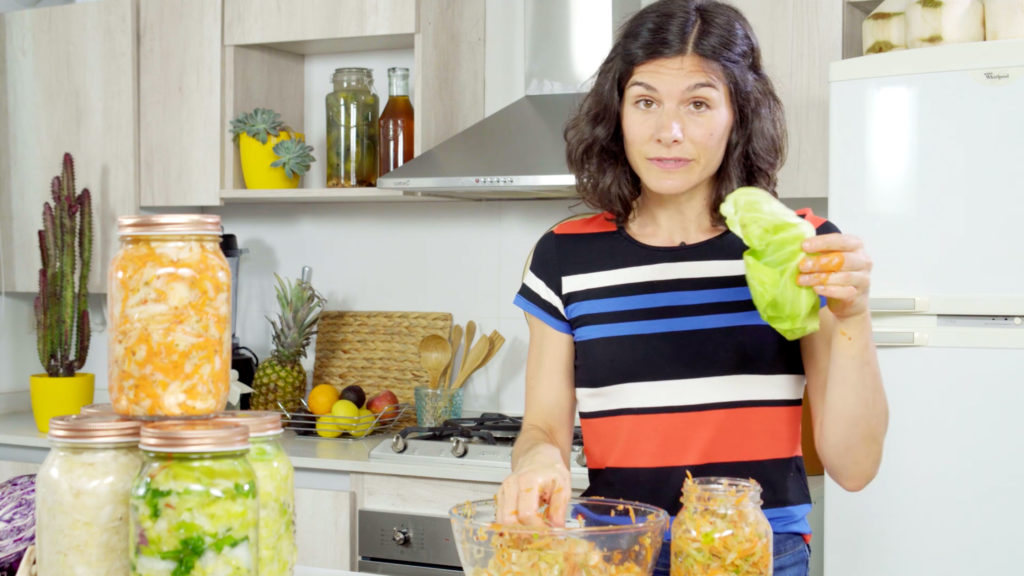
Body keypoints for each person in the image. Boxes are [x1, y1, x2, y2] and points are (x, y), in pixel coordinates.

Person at [498, 1, 889, 575]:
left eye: (699, 103)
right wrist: (536, 462)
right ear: (618, 112)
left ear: (739, 115)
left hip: (756, 551)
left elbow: (854, 468)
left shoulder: (797, 246)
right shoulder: (564, 255)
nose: (668, 132)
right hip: (614, 551)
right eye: (646, 101)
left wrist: (853, 318)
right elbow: (543, 428)